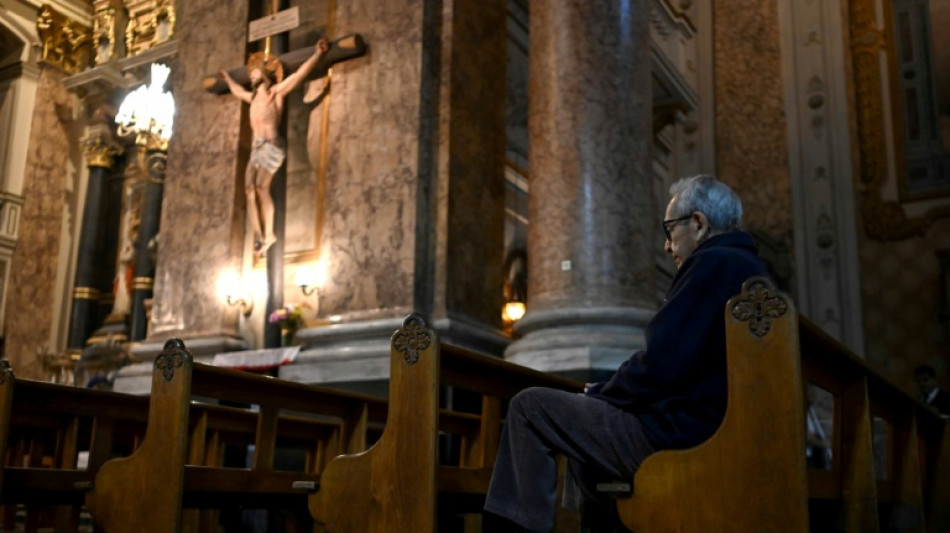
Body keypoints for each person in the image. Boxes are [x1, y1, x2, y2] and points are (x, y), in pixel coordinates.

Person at [483, 175, 768, 532]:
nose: (667, 246)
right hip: (718, 427)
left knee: (529, 407)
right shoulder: (749, 268)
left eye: (669, 230)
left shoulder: (711, 264)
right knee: (584, 429)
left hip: (682, 435)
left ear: (698, 223)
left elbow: (661, 366)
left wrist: (601, 392)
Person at [220, 38, 330, 256]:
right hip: (256, 149)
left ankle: (270, 234)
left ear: (265, 74)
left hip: (272, 146)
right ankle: (260, 237)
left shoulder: (276, 93)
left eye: (255, 73)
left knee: (262, 188)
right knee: (249, 190)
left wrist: (317, 54)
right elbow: (236, 91)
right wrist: (227, 78)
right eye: (251, 74)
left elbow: (298, 76)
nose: (251, 76)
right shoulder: (251, 97)